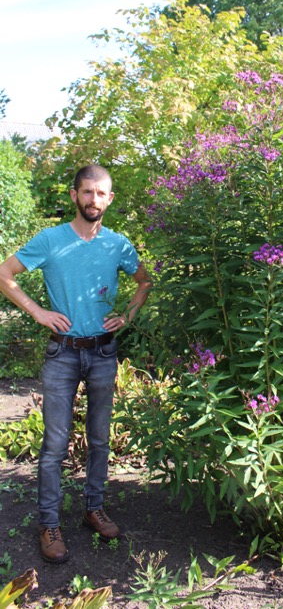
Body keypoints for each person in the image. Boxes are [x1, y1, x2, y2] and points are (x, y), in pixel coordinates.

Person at [0, 164, 152, 563]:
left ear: (110, 199)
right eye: (87, 192)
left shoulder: (118, 244)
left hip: (103, 352)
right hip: (62, 353)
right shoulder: (51, 240)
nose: (93, 200)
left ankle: (93, 508)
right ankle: (49, 525)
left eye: (101, 194)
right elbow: (4, 272)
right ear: (74, 195)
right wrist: (37, 311)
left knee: (99, 439)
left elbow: (144, 281)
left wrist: (129, 316)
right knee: (54, 445)